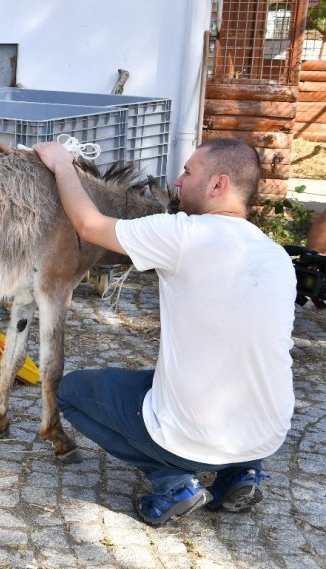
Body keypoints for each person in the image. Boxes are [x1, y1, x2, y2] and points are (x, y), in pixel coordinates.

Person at [33, 138, 296, 526]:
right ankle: (241, 473)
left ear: (218, 185)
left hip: (194, 437)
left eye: (188, 172)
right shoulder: (276, 254)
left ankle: (173, 482)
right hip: (267, 434)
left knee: (71, 393)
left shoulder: (185, 235)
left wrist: (62, 166)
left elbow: (89, 225)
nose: (177, 180)